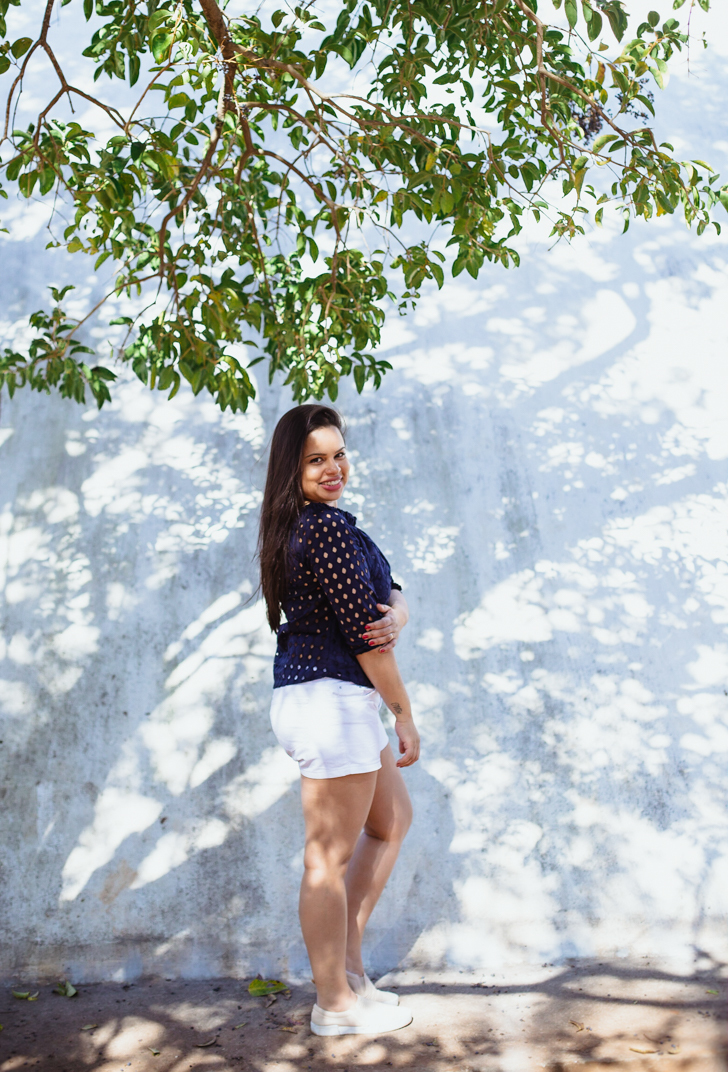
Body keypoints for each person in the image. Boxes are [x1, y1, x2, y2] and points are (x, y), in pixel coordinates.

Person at [258, 403, 420, 1037]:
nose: (334, 469)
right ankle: (334, 1005)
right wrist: (404, 715)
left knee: (391, 821)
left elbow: (390, 599)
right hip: (329, 700)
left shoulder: (330, 526)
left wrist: (399, 613)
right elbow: (367, 638)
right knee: (326, 857)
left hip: (338, 699)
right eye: (315, 460)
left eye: (339, 454)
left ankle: (349, 972)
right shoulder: (320, 529)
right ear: (291, 471)